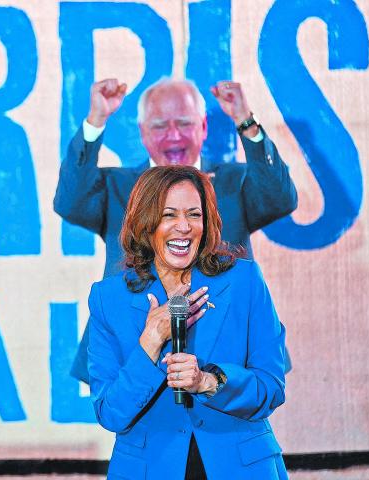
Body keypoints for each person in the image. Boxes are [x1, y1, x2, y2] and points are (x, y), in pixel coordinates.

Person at [55, 77, 297, 383]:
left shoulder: (234, 182)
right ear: (142, 133)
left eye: (184, 123)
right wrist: (96, 121)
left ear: (204, 127)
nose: (173, 136)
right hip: (133, 348)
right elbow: (70, 202)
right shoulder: (117, 187)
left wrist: (245, 122)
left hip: (226, 353)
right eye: (159, 126)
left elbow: (280, 198)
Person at [88, 166, 287, 479]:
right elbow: (110, 413)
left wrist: (208, 382)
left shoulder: (244, 281)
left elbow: (271, 387)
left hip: (241, 467)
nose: (184, 227)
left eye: (194, 214)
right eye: (169, 215)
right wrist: (151, 341)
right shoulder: (108, 299)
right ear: (145, 223)